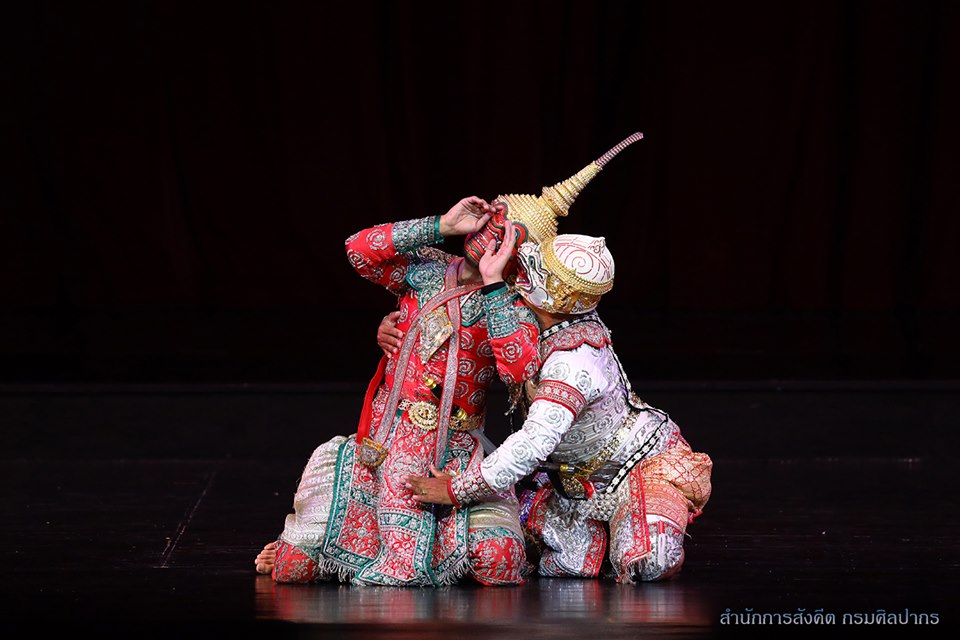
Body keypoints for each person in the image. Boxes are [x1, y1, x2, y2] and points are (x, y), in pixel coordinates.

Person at [405, 232, 713, 583]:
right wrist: (394, 329)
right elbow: (454, 301)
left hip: (638, 468)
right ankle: (604, 532)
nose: (522, 269)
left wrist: (457, 490)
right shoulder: (543, 312)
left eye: (537, 268)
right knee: (560, 564)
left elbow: (534, 443)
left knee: (650, 561)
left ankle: (632, 521)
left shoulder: (573, 363)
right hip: (571, 483)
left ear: (559, 295)